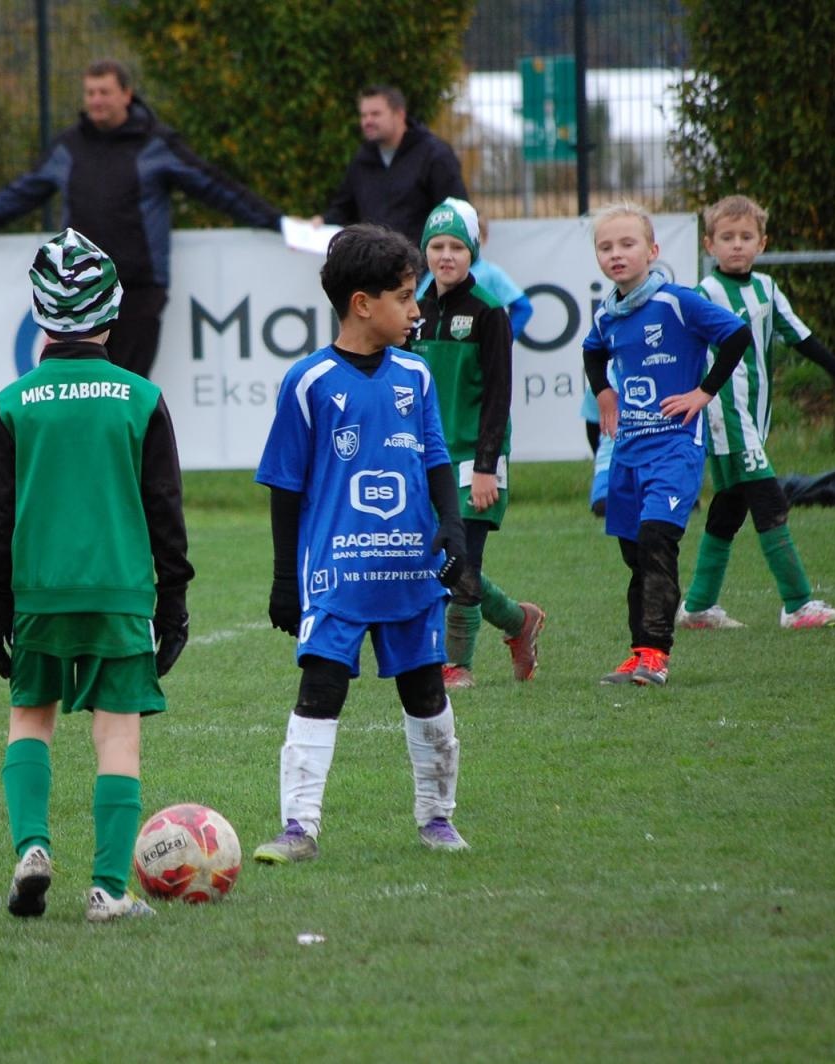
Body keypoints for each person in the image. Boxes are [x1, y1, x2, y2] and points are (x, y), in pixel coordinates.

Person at [0, 228, 194, 923]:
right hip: (120, 593)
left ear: (40, 313)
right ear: (113, 311)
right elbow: (165, 510)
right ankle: (107, 889)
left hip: (39, 592)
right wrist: (175, 602)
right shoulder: (140, 397)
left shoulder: (15, 402)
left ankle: (33, 846)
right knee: (118, 732)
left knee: (28, 718)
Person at [252, 223, 471, 864]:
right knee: (319, 693)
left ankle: (437, 819)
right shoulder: (309, 381)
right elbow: (284, 486)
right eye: (405, 297)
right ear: (362, 304)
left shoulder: (416, 376)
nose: (416, 309)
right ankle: (299, 829)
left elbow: (435, 458)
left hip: (410, 573)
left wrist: (452, 529)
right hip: (336, 577)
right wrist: (284, 579)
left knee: (426, 694)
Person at [0, 59, 284, 379]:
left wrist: (278, 223)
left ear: (126, 94)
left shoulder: (156, 144)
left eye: (104, 92)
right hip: (80, 294)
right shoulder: (68, 147)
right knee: (83, 389)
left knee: (130, 390)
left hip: (140, 291)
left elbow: (215, 187)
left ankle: (131, 456)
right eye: (90, 92)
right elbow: (20, 193)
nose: (96, 100)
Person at [679, 195, 835, 631]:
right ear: (709, 244)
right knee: (769, 500)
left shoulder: (767, 289)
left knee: (729, 508)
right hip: (726, 415)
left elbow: (805, 340)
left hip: (754, 419)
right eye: (726, 237)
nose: (737, 245)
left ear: (763, 242)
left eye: (746, 236)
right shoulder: (705, 293)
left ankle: (697, 608)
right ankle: (798, 605)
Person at [582, 202, 753, 686]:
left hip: (675, 448)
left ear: (652, 251)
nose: (616, 254)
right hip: (628, 453)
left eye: (627, 244)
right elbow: (591, 352)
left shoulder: (678, 302)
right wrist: (604, 392)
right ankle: (639, 651)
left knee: (658, 541)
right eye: (606, 246)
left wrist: (703, 392)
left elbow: (736, 335)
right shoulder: (608, 315)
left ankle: (656, 653)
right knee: (634, 555)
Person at [410, 197, 545, 690]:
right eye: (437, 246)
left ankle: (457, 665)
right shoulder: (417, 310)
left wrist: (487, 465)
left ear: (474, 251)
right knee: (441, 562)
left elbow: (499, 396)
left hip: (475, 457)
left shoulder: (489, 312)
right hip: (430, 457)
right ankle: (517, 621)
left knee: (462, 562)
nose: (446, 256)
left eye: (456, 247)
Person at [313, 85, 468, 247]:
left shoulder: (434, 155)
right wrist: (322, 221)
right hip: (372, 267)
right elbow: (344, 209)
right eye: (363, 115)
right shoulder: (362, 159)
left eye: (375, 114)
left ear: (400, 114)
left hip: (420, 267)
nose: (367, 121)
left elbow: (455, 213)